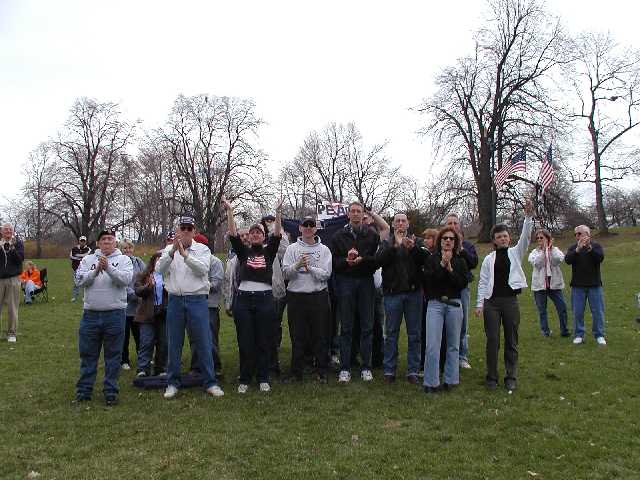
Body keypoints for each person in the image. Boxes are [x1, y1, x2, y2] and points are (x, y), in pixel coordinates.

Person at [157, 215, 224, 399]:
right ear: (178, 230)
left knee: (203, 342)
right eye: (183, 228)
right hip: (175, 300)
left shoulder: (202, 249)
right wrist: (172, 253)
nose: (185, 231)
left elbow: (202, 269)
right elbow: (159, 270)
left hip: (197, 300)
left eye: (189, 228)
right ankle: (172, 382)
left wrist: (185, 255)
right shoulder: (168, 250)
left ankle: (210, 382)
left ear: (194, 231)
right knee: (174, 342)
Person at [223, 198, 282, 394]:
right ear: (248, 237)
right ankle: (245, 378)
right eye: (253, 232)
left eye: (259, 232)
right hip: (244, 301)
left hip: (265, 299)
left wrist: (278, 213)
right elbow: (232, 234)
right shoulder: (243, 252)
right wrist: (230, 211)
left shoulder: (269, 252)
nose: (256, 235)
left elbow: (277, 235)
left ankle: (263, 377)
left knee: (264, 340)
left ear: (263, 237)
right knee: (245, 340)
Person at [475, 200, 534, 391]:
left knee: (511, 339)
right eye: (499, 237)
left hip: (510, 301)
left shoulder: (516, 253)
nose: (503, 239)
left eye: (505, 236)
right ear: (493, 240)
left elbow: (525, 238)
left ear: (509, 238)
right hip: (491, 303)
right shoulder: (488, 259)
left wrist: (528, 217)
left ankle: (511, 376)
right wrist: (479, 304)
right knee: (493, 340)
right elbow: (483, 282)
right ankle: (491, 376)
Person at [74, 228, 133, 406]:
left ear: (115, 243)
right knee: (88, 355)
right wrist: (95, 271)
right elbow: (79, 281)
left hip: (115, 314)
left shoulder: (124, 260)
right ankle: (84, 391)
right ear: (98, 243)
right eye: (104, 239)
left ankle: (110, 392)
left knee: (113, 356)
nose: (107, 242)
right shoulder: (87, 259)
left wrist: (108, 268)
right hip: (91, 315)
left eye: (110, 239)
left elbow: (125, 280)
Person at [330, 201, 380, 383]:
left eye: (359, 211)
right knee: (347, 326)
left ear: (363, 214)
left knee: (367, 326)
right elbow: (334, 262)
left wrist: (362, 260)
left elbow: (376, 260)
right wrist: (347, 261)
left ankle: (366, 367)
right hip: (346, 282)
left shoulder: (371, 235)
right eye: (353, 211)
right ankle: (345, 368)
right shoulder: (338, 236)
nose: (356, 214)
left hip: (365, 281)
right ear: (348, 215)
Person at [281, 216, 332, 383]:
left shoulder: (324, 250)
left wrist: (308, 267)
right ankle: (296, 372)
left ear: (316, 229)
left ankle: (321, 371)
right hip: (296, 296)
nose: (309, 228)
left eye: (312, 225)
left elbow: (326, 275)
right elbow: (286, 273)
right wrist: (297, 265)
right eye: (305, 225)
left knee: (320, 335)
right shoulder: (291, 248)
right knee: (297, 336)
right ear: (300, 228)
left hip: (318, 296)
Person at [376, 213, 426, 385]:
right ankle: (389, 370)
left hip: (413, 293)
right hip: (392, 293)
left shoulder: (416, 241)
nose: (400, 223)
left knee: (414, 334)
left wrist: (412, 248)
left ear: (408, 223)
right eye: (397, 220)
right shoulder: (386, 242)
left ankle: (413, 370)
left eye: (403, 220)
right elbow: (379, 261)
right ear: (392, 224)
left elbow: (426, 260)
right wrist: (395, 246)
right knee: (391, 334)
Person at [422, 227, 469, 393]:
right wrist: (442, 265)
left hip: (454, 305)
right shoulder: (431, 259)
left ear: (455, 243)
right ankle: (431, 382)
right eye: (445, 238)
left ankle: (450, 379)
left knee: (453, 344)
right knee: (432, 345)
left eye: (451, 239)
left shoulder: (460, 262)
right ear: (440, 241)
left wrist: (450, 270)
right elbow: (429, 282)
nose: (448, 241)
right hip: (435, 304)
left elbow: (461, 284)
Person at [444, 213, 478, 369]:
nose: (452, 225)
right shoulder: (442, 242)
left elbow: (473, 263)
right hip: (444, 288)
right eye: (449, 222)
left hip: (462, 288)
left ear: (459, 226)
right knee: (444, 323)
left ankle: (461, 356)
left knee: (462, 323)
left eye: (455, 223)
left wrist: (462, 249)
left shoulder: (468, 245)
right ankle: (445, 354)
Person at [189, 233, 224, 379]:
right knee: (194, 337)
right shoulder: (189, 260)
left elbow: (217, 283)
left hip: (209, 305)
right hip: (191, 303)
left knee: (210, 337)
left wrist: (200, 285)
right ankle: (197, 367)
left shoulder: (214, 261)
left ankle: (215, 367)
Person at [565, 225, 606, 345]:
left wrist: (589, 248)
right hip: (578, 286)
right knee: (577, 312)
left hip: (594, 285)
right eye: (575, 234)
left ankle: (599, 335)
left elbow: (600, 258)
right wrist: (577, 250)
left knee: (598, 311)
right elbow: (568, 260)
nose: (577, 236)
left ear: (587, 235)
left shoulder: (596, 246)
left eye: (579, 234)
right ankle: (579, 334)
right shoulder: (573, 248)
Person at [528, 229, 569, 337]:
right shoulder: (534, 252)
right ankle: (545, 331)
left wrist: (550, 249)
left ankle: (564, 330)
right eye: (538, 238)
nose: (539, 240)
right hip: (539, 286)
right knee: (542, 310)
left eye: (542, 237)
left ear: (548, 238)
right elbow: (537, 263)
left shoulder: (555, 250)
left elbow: (557, 260)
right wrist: (544, 251)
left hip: (554, 284)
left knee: (562, 307)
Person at [133, 252, 168, 377]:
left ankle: (161, 368)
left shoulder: (169, 276)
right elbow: (137, 290)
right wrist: (148, 286)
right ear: (153, 262)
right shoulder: (143, 275)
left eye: (161, 261)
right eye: (157, 260)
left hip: (164, 313)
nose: (159, 263)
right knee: (146, 342)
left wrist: (166, 288)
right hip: (147, 313)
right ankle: (143, 369)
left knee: (164, 342)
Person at [121, 240, 145, 370]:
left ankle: (143, 357)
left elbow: (146, 276)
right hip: (124, 306)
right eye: (125, 248)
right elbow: (121, 283)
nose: (127, 250)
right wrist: (134, 295)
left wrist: (142, 291)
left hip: (138, 307)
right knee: (124, 336)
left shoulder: (138, 262)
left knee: (140, 335)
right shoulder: (119, 262)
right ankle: (124, 360)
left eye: (129, 248)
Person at [0, 223, 24, 343]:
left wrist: (11, 248)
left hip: (13, 279)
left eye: (10, 229)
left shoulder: (18, 243)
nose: (8, 231)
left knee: (12, 308)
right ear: (1, 232)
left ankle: (11, 333)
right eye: (5, 229)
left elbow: (20, 259)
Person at [419, 228, 438, 371]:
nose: (426, 240)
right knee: (423, 331)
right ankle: (422, 361)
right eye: (425, 238)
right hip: (423, 297)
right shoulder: (422, 253)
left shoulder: (437, 256)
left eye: (429, 238)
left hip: (435, 298)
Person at [223, 227, 250, 316]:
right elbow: (228, 282)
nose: (245, 237)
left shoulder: (260, 254)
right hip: (238, 300)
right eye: (242, 236)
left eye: (247, 235)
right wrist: (228, 303)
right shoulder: (231, 260)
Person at [70, 236, 91, 302]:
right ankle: (74, 297)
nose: (82, 242)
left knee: (85, 283)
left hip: (85, 269)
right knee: (76, 283)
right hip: (76, 268)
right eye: (81, 241)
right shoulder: (74, 249)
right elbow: (71, 257)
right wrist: (82, 257)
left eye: (84, 241)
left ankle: (85, 297)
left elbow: (88, 257)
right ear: (79, 241)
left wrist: (78, 256)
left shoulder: (88, 249)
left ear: (85, 242)